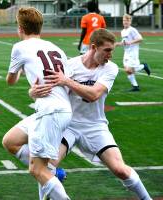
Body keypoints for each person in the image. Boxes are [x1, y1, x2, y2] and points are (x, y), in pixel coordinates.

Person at [31, 28, 152, 200]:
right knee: (46, 167)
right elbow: (49, 90)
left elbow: (94, 94)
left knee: (120, 169)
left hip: (95, 126)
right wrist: (33, 92)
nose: (110, 55)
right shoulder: (69, 65)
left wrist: (67, 81)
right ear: (93, 47)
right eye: (107, 50)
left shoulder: (110, 69)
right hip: (69, 126)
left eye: (112, 50)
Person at [1, 7, 72, 200]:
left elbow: (10, 80)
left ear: (20, 28)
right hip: (58, 109)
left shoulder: (19, 47)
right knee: (10, 141)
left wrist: (22, 75)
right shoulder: (57, 48)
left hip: (51, 112)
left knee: (37, 170)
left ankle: (52, 175)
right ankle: (51, 171)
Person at [115, 14, 150, 92]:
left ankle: (143, 66)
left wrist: (131, 42)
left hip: (133, 52)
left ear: (130, 22)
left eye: (127, 20)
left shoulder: (132, 30)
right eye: (124, 20)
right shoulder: (123, 31)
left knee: (129, 69)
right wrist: (117, 44)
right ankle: (135, 86)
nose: (125, 22)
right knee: (127, 70)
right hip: (126, 52)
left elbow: (140, 39)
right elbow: (124, 42)